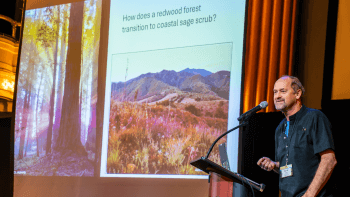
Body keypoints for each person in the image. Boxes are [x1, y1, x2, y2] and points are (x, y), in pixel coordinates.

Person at [257, 75, 337, 197]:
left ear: (297, 94)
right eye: (275, 92)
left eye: (283, 91)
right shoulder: (280, 128)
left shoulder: (314, 118)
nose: (277, 96)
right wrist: (274, 165)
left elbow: (329, 160)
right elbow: (291, 165)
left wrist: (309, 195)